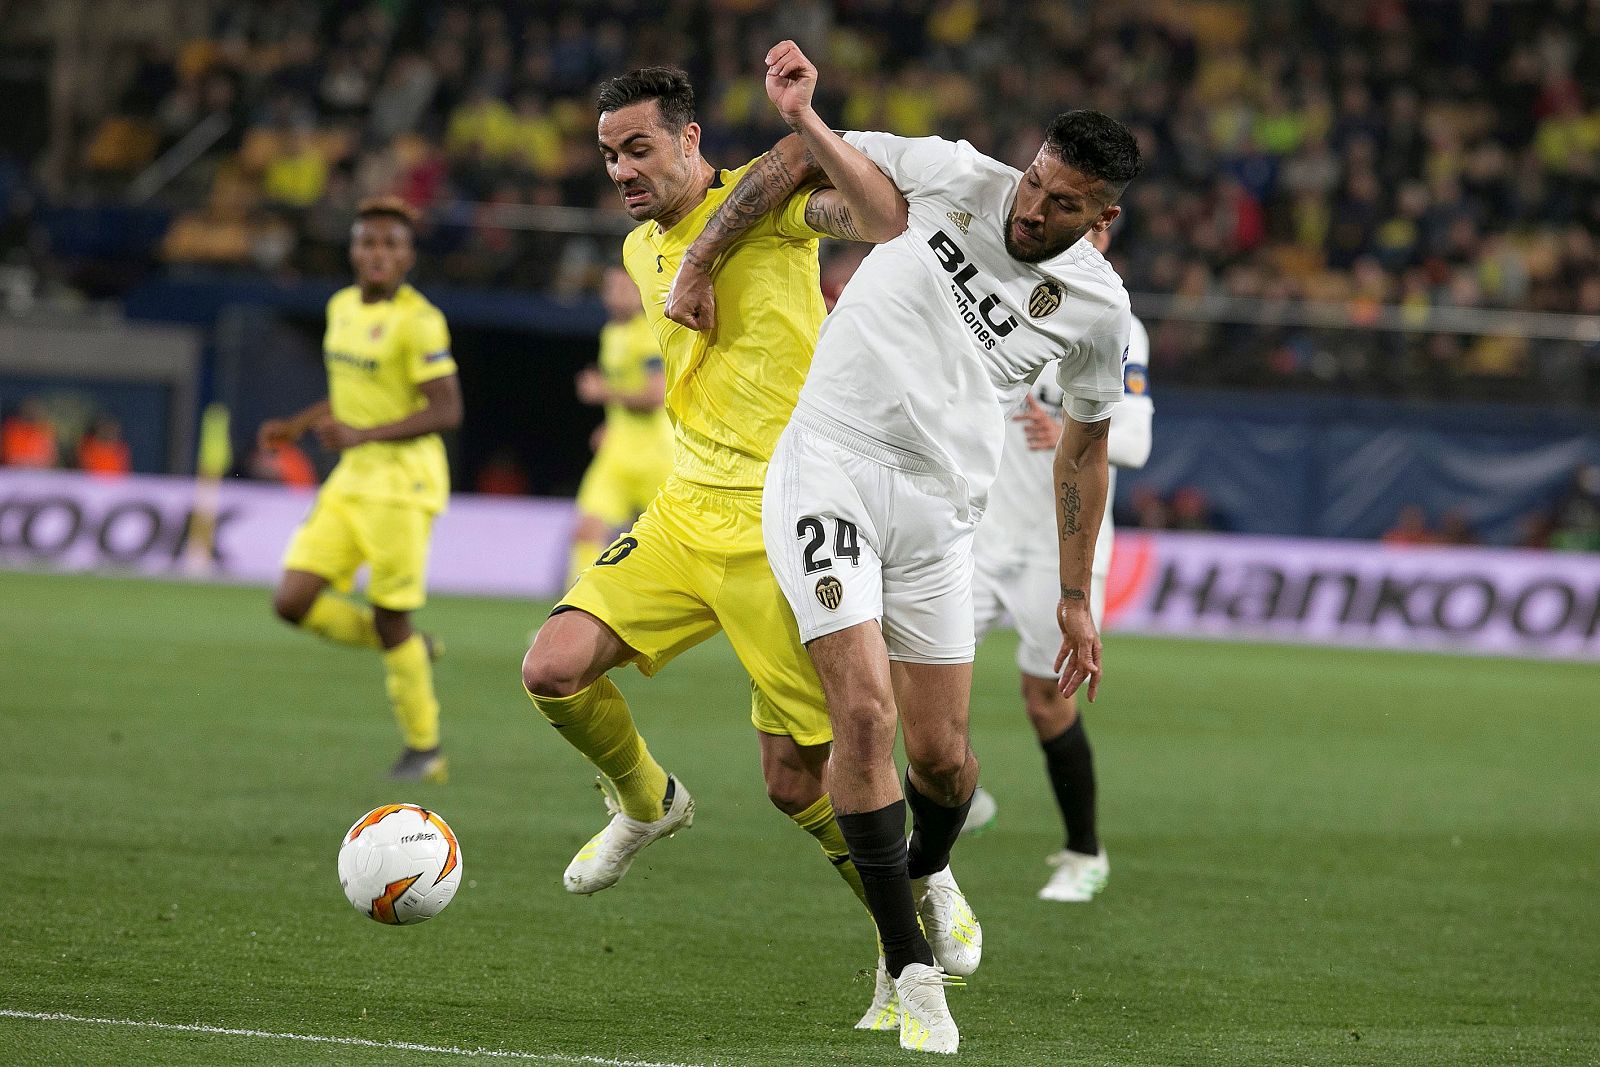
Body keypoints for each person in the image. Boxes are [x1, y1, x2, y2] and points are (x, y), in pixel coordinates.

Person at [670, 41, 1141, 1054]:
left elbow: (1086, 449)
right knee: (866, 712)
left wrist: (1073, 594)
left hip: (941, 509)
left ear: (1101, 217)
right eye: (1036, 182)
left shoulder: (1099, 312)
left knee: (945, 756)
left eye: (1063, 205)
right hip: (830, 460)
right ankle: (911, 966)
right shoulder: (955, 173)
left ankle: (921, 880)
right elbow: (796, 165)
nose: (1032, 209)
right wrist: (706, 255)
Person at [518, 67, 959, 1034]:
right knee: (551, 667)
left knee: (809, 776)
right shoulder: (640, 247)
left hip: (783, 520)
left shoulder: (768, 209)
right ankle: (647, 800)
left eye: (639, 148)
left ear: (688, 139)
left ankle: (911, 927)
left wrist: (717, 248)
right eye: (608, 155)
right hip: (685, 512)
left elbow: (871, 211)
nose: (623, 170)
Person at [962, 223, 1155, 905]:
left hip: (1060, 544)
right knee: (912, 666)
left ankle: (1084, 850)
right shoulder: (1001, 288)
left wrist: (1073, 424)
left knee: (1046, 701)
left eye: (1095, 223)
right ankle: (961, 791)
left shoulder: (1113, 316)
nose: (1081, 233)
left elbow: (1134, 436)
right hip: (984, 532)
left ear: (1108, 230)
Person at [259, 196, 463, 783]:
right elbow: (350, 392)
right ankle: (409, 649)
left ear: (407, 257)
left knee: (390, 615)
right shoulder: (341, 306)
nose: (378, 254)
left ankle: (425, 748)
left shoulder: (419, 321)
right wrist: (297, 425)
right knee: (291, 602)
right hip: (353, 480)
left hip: (403, 485)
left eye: (390, 245)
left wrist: (361, 433)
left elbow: (447, 410)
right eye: (367, 242)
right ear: (352, 251)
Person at [567, 265, 673, 583]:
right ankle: (575, 617)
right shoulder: (610, 334)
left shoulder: (649, 333)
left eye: (624, 288)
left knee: (665, 546)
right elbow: (624, 395)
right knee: (587, 531)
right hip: (618, 452)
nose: (616, 295)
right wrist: (610, 424)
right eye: (611, 288)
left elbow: (656, 395)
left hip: (656, 454)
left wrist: (603, 392)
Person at [1, 397, 58, 469]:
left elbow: (50, 458)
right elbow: (9, 457)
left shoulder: (45, 429)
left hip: (39, 474)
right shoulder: (12, 429)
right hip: (13, 474)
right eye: (30, 410)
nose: (33, 413)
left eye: (36, 410)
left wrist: (34, 463)